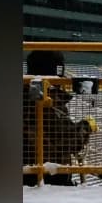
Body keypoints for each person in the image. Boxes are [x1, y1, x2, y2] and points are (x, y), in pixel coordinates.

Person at [23, 50, 97, 186]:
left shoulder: (24, 94)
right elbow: (66, 141)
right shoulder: (48, 101)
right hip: (48, 179)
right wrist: (86, 127)